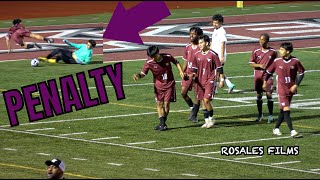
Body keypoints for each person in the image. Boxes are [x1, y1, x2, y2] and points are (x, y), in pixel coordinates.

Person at [133, 45, 184, 131]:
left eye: (153, 56)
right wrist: (138, 75)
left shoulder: (167, 57)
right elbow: (143, 73)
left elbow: (176, 62)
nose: (152, 58)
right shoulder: (149, 62)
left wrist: (181, 71)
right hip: (158, 86)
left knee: (166, 105)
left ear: (157, 53)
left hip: (169, 84)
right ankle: (163, 124)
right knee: (159, 104)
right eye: (151, 57)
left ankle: (162, 123)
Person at [263, 42, 305, 137]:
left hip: (291, 89)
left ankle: (276, 128)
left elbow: (302, 73)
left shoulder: (295, 61)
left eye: (282, 49)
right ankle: (292, 131)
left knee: (283, 110)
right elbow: (269, 72)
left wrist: (296, 85)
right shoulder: (277, 61)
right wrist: (265, 82)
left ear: (288, 51)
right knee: (286, 109)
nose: (280, 51)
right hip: (281, 89)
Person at [190, 34, 224, 128]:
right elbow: (194, 69)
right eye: (199, 43)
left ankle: (211, 118)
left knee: (206, 100)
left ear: (207, 43)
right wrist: (192, 76)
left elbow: (219, 67)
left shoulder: (213, 54)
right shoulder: (196, 55)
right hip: (199, 81)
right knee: (202, 101)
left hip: (210, 80)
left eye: (201, 43)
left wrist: (221, 79)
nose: (199, 45)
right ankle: (206, 121)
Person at [249, 33, 277, 123]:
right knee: (259, 94)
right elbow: (251, 63)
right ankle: (260, 115)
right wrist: (259, 65)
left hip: (268, 76)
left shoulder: (273, 52)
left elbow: (276, 63)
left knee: (269, 94)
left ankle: (271, 115)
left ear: (267, 41)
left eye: (262, 40)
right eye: (260, 39)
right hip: (258, 75)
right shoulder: (255, 51)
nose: (260, 41)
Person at [181, 26, 203, 123]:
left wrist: (196, 74)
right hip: (188, 74)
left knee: (197, 95)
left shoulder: (201, 47)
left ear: (199, 35)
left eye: (194, 34)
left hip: (198, 75)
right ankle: (192, 108)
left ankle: (194, 115)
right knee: (183, 93)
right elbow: (186, 60)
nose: (191, 35)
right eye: (190, 33)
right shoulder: (187, 47)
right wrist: (182, 71)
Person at [210, 14, 235, 94]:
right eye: (213, 23)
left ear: (221, 23)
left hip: (219, 55)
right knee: (217, 71)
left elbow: (223, 43)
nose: (214, 24)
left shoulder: (222, 31)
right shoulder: (215, 30)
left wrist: (222, 56)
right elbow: (213, 42)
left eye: (216, 23)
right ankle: (229, 84)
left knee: (216, 71)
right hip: (214, 54)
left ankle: (215, 88)